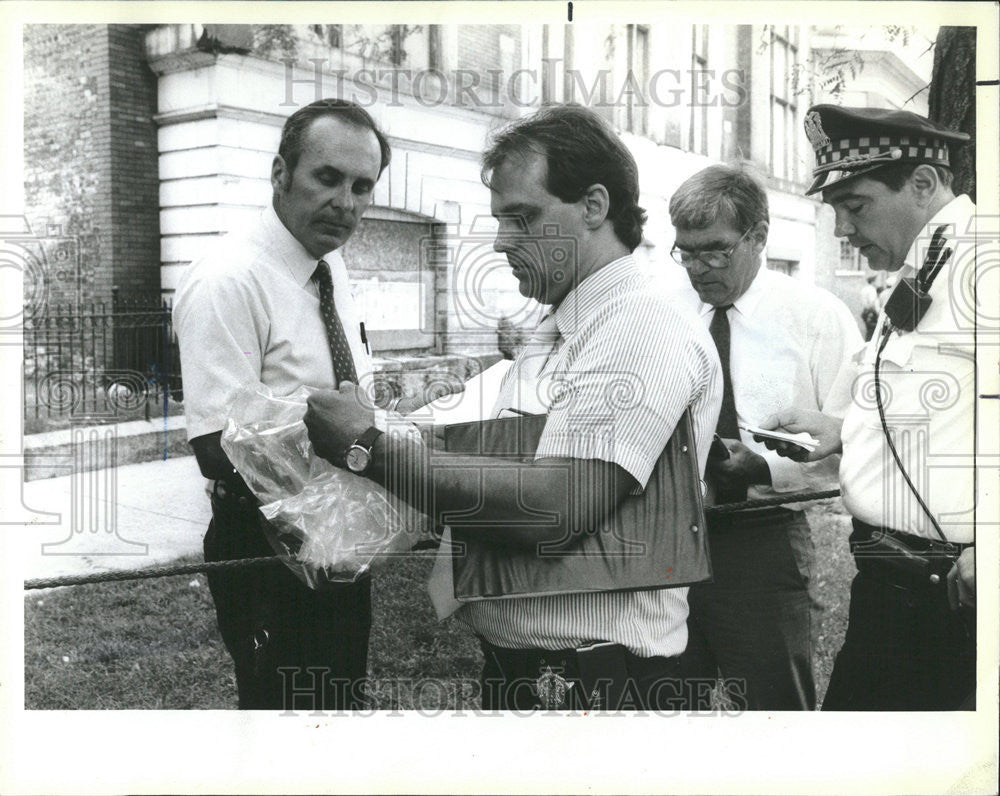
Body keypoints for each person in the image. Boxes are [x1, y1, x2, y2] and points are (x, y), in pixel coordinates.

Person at [303, 104, 723, 711]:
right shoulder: (571, 324)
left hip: (594, 681)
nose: (501, 241)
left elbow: (555, 506)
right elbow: (499, 463)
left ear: (594, 206)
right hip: (544, 672)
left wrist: (368, 447)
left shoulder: (638, 324)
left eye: (522, 218)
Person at [173, 99, 391, 710]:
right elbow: (215, 449)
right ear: (280, 174)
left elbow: (341, 384)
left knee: (339, 705)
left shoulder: (330, 265)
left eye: (362, 186)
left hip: (339, 532)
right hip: (264, 545)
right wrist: (346, 436)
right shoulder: (229, 278)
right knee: (284, 720)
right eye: (327, 177)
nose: (345, 202)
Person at [758, 104, 978, 710]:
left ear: (924, 184)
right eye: (836, 212)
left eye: (855, 207)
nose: (843, 231)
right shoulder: (926, 267)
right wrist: (843, 430)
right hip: (889, 584)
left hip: (951, 594)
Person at [667, 164, 861, 710]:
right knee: (664, 712)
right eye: (685, 252)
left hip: (760, 539)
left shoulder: (818, 317)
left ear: (758, 238)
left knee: (774, 708)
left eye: (716, 250)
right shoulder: (664, 310)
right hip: (664, 540)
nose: (698, 268)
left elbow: (857, 442)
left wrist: (765, 470)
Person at [860, 274, 880, 340]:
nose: (877, 283)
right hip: (871, 313)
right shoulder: (872, 289)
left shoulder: (864, 289)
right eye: (876, 281)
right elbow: (872, 303)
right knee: (872, 333)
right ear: (872, 282)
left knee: (869, 331)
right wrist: (877, 314)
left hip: (865, 312)